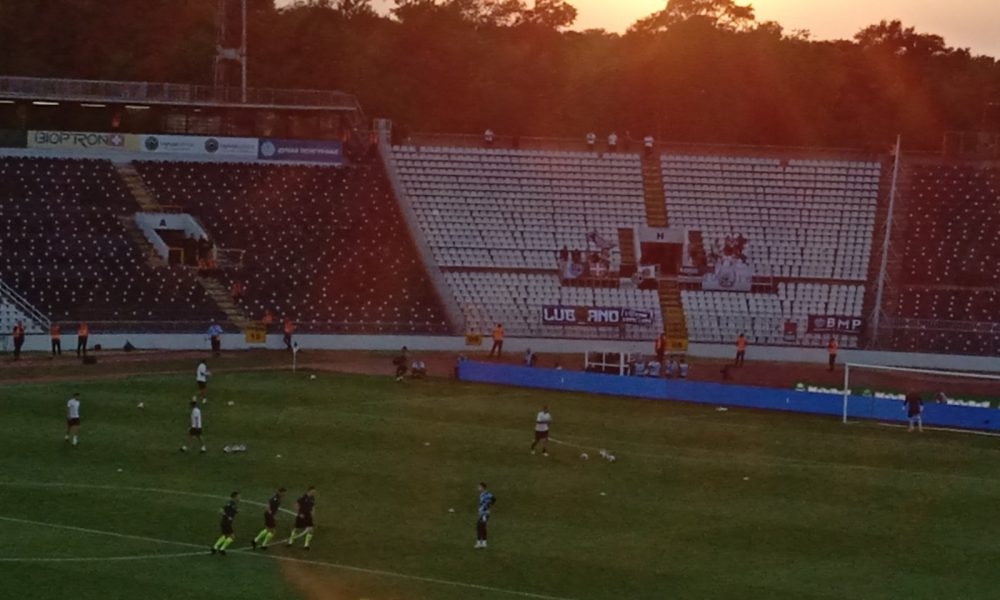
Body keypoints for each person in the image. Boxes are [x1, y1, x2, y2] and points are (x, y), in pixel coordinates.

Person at [210, 491, 240, 555]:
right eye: (238, 496)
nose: (239, 498)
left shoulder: (233, 504)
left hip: (224, 522)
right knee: (232, 537)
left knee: (224, 535)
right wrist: (227, 516)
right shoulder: (230, 503)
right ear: (234, 497)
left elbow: (231, 511)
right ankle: (222, 549)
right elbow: (221, 510)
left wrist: (235, 511)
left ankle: (215, 548)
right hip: (226, 522)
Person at [474, 482, 496, 549]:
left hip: (485, 514)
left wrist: (488, 505)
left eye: (479, 487)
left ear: (483, 487)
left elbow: (494, 499)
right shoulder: (481, 494)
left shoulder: (487, 494)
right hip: (482, 513)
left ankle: (482, 543)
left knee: (481, 527)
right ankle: (481, 543)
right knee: (479, 527)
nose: (478, 488)